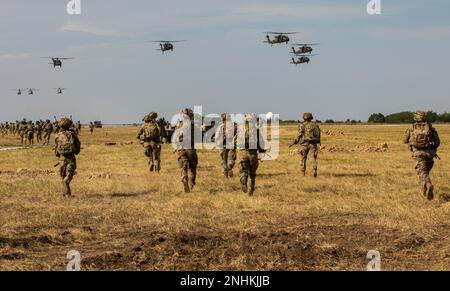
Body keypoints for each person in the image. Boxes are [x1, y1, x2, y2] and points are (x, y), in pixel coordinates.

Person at [403, 110, 440, 201]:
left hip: (418, 154)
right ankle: (424, 189)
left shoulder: (412, 128)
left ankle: (427, 184)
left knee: (422, 172)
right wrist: (433, 149)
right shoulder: (430, 128)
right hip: (429, 154)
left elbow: (404, 140)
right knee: (424, 172)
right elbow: (437, 142)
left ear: (416, 117)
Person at [236, 113, 266, 196]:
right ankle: (251, 190)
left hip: (242, 153)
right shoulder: (256, 130)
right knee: (252, 174)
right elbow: (261, 143)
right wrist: (261, 151)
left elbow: (235, 141)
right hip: (253, 154)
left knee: (243, 171)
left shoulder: (240, 129)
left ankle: (244, 182)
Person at [172, 108, 201, 193]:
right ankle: (191, 185)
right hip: (190, 149)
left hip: (181, 149)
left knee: (184, 165)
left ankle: (184, 178)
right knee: (192, 168)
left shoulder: (179, 125)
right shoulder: (193, 126)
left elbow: (175, 138)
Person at [54, 118, 81, 197]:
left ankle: (65, 193)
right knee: (69, 176)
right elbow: (77, 149)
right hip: (70, 157)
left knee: (63, 176)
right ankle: (67, 195)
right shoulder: (72, 134)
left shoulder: (58, 135)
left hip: (62, 158)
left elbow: (57, 147)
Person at [290, 112, 321, 177]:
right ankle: (314, 172)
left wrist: (294, 142)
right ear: (311, 117)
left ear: (304, 117)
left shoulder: (301, 125)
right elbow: (318, 136)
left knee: (303, 158)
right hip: (313, 144)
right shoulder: (315, 125)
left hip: (304, 144)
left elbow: (298, 135)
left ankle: (302, 173)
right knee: (313, 158)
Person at [215, 113, 237, 178]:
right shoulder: (234, 125)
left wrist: (218, 143)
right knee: (232, 159)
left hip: (223, 145)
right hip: (232, 145)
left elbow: (217, 137)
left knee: (224, 161)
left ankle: (225, 176)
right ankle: (229, 167)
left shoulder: (220, 126)